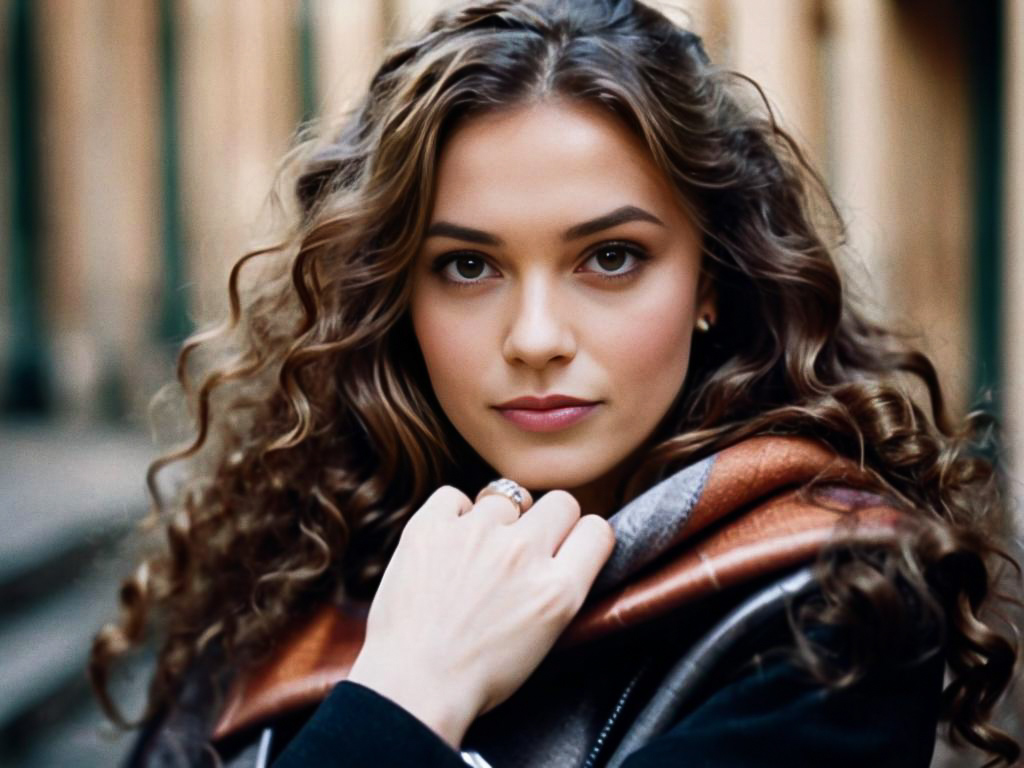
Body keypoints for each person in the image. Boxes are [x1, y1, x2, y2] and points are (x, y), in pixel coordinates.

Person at [90, 1, 1021, 766]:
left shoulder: (830, 606)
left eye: (611, 257)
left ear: (709, 281)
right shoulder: (303, 552)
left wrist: (408, 695)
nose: (536, 338)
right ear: (394, 294)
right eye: (466, 266)